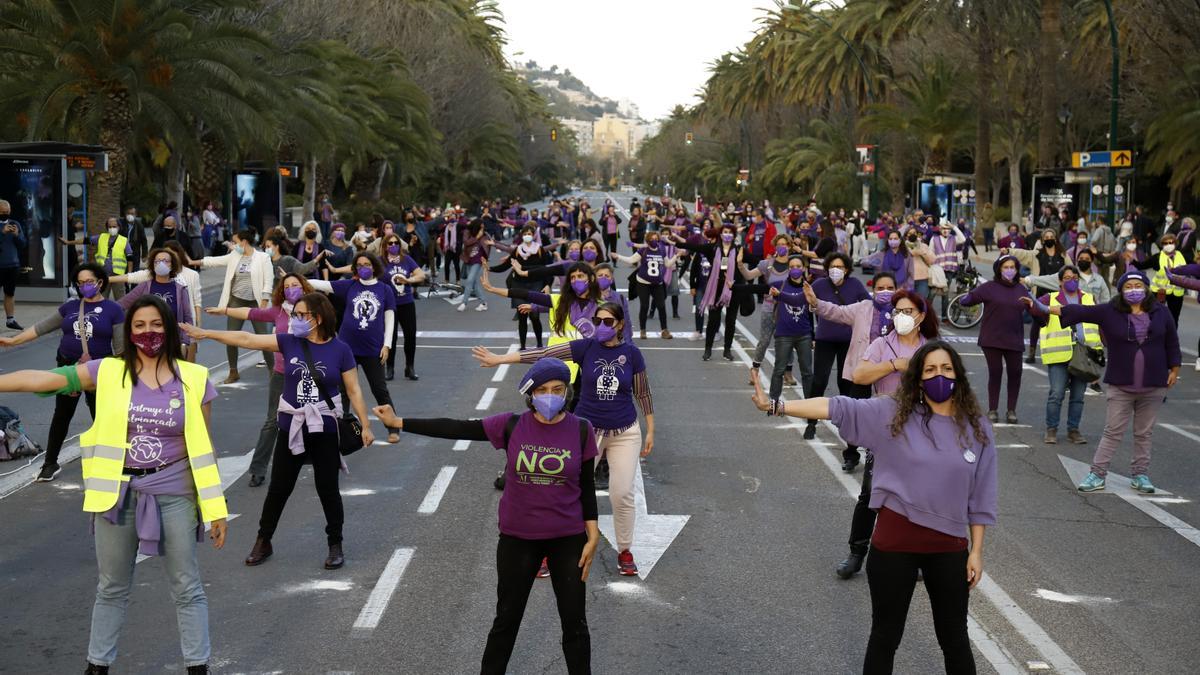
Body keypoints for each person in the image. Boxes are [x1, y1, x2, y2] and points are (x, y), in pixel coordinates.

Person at [0, 295, 228, 674]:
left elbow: (204, 450)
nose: (148, 332)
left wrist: (214, 509)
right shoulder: (107, 371)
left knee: (187, 587)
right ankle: (97, 666)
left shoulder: (194, 378)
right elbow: (48, 379)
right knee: (111, 587)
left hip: (174, 494)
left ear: (168, 329)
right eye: (139, 326)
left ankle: (198, 666)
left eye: (156, 325)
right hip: (116, 493)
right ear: (129, 332)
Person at [752, 341, 996, 673]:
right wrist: (776, 405)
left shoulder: (978, 428)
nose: (939, 375)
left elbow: (980, 497)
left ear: (959, 375)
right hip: (895, 545)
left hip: (949, 548)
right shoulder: (893, 413)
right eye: (930, 370)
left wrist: (976, 551)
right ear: (918, 379)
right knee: (885, 635)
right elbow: (836, 407)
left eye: (946, 369)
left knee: (954, 638)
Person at [373, 358, 598, 674]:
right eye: (542, 390)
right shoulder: (513, 425)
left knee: (575, 624)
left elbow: (586, 485)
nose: (550, 396)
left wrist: (593, 533)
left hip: (568, 539)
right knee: (506, 619)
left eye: (557, 389)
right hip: (518, 539)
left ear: (568, 391)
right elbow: (458, 427)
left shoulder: (581, 430)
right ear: (530, 394)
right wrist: (399, 422)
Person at [182, 292, 374, 568]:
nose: (295, 319)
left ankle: (335, 544)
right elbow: (247, 339)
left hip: (324, 429)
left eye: (301, 315)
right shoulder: (288, 341)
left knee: (328, 489)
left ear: (318, 318)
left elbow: (353, 389)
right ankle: (264, 541)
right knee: (279, 489)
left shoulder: (340, 349)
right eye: (294, 314)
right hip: (291, 428)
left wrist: (365, 425)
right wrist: (207, 333)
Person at [473, 301, 654, 577]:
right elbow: (545, 353)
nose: (602, 327)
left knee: (622, 493)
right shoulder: (586, 347)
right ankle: (547, 552)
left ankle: (625, 550)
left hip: (624, 431)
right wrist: (500, 359)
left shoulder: (632, 354)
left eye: (608, 322)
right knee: (565, 491)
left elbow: (642, 392)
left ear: (619, 325)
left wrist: (650, 428)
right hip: (586, 430)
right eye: (598, 320)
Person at [1027, 271, 1180, 493]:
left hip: (1153, 384)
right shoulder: (1111, 311)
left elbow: (1172, 342)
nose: (1134, 290)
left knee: (1144, 433)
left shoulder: (1161, 313)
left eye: (1138, 285)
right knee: (1112, 431)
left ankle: (1140, 475)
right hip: (1121, 384)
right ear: (1121, 290)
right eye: (1128, 286)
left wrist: (1174, 369)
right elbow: (1080, 311)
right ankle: (1097, 474)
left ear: (1146, 288)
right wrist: (1044, 308)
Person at [0, 264, 125, 482]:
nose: (84, 286)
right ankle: (50, 464)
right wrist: (13, 341)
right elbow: (41, 327)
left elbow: (121, 348)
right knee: (62, 416)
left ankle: (110, 462)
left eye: (89, 281)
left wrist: (120, 374)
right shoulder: (70, 307)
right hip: (67, 368)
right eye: (80, 282)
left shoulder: (113, 310)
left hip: (98, 372)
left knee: (102, 417)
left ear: (100, 282)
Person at [205, 273, 313, 487]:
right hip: (282, 374)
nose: (292, 289)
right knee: (273, 421)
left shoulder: (316, 308)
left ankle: (324, 461)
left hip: (310, 375)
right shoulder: (278, 311)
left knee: (317, 417)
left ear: (304, 287)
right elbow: (251, 312)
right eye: (288, 286)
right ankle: (258, 469)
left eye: (296, 285)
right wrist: (225, 310)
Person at [308, 253, 400, 443]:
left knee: (379, 389)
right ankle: (340, 427)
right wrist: (298, 279)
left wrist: (387, 345)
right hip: (346, 349)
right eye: (359, 265)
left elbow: (389, 319)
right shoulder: (350, 285)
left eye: (367, 264)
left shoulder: (385, 289)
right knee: (343, 390)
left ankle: (393, 426)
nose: (363, 268)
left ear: (374, 267)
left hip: (373, 349)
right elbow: (322, 285)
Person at [1025, 265, 1102, 445]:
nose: (1071, 280)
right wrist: (1029, 304)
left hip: (1083, 354)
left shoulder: (1089, 298)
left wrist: (1102, 348)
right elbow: (1036, 311)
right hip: (1059, 354)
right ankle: (1051, 429)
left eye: (1074, 277)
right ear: (1060, 281)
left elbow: (1101, 323)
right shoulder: (1050, 298)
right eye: (1067, 278)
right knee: (1056, 393)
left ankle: (1073, 430)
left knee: (1078, 396)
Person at [194, 229, 274, 382]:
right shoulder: (235, 256)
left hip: (255, 303)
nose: (233, 245)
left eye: (235, 242)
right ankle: (233, 371)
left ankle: (273, 371)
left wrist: (264, 302)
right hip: (236, 301)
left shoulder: (263, 258)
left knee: (263, 339)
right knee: (231, 336)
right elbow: (215, 261)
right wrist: (193, 262)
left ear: (244, 242)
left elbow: (268, 281)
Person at [958, 255, 1029, 423]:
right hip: (992, 338)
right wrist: (966, 297)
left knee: (1015, 373)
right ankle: (993, 410)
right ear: (999, 269)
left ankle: (1011, 410)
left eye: (1013, 267)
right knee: (995, 372)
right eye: (1006, 267)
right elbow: (968, 300)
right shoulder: (989, 287)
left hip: (1014, 337)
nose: (1009, 270)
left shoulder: (1021, 289)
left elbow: (1032, 309)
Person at [671, 221, 748, 361]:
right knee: (713, 320)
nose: (727, 235)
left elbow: (755, 260)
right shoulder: (712, 248)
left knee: (731, 321)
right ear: (720, 234)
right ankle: (708, 349)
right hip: (716, 288)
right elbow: (694, 247)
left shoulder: (739, 249)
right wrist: (676, 243)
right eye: (725, 232)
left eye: (730, 232)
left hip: (734, 289)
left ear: (734, 235)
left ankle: (727, 350)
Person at [808, 252, 871, 410]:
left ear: (847, 269)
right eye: (832, 267)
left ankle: (846, 417)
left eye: (840, 267)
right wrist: (780, 295)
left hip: (848, 341)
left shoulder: (855, 284)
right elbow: (803, 304)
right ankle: (811, 421)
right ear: (827, 268)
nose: (836, 269)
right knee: (819, 380)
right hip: (824, 339)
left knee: (845, 382)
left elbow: (869, 306)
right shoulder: (819, 284)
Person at [741, 235, 801, 382]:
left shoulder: (794, 265)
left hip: (788, 307)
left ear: (790, 246)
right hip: (769, 307)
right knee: (765, 339)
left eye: (785, 244)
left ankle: (788, 372)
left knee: (789, 339)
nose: (782, 247)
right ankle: (754, 370)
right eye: (779, 244)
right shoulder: (767, 264)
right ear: (775, 246)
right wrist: (740, 265)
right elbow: (749, 276)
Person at [116, 247, 195, 358]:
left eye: (165, 261)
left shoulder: (180, 289)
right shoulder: (144, 286)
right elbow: (121, 305)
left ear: (172, 265)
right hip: (148, 343)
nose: (161, 264)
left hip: (172, 344)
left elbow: (187, 319)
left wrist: (185, 343)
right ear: (153, 265)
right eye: (157, 261)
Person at [612, 226, 680, 339]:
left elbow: (667, 264)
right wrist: (618, 256)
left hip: (657, 283)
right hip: (643, 282)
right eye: (652, 239)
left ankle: (664, 330)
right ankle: (643, 330)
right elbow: (631, 260)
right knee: (644, 305)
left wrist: (676, 256)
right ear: (648, 241)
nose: (654, 241)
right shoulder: (643, 250)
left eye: (656, 238)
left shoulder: (661, 250)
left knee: (661, 306)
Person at [380, 233, 425, 381]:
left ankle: (409, 367)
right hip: (389, 305)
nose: (393, 246)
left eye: (396, 243)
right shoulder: (381, 262)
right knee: (390, 338)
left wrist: (408, 280)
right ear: (385, 246)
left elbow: (421, 275)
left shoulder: (406, 259)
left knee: (410, 336)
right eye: (390, 244)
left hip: (406, 303)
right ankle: (390, 368)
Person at [1132, 232, 1188, 328]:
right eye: (1165, 243)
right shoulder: (1157, 257)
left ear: (1175, 243)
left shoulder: (1181, 256)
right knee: (1155, 315)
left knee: (1174, 318)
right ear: (1162, 245)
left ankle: (1171, 338)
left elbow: (1192, 267)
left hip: (1176, 293)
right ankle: (1155, 335)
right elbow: (1142, 265)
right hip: (1160, 291)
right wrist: (1132, 261)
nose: (1168, 245)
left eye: (1171, 243)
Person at [0, 199, 26, 329]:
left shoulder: (15, 224)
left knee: (10, 293)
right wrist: (2, 233)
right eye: (3, 212)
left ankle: (10, 320)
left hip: (12, 265)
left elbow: (22, 244)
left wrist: (16, 235)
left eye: (7, 211)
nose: (5, 214)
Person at [459, 218, 492, 312]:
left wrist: (486, 259)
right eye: (481, 227)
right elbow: (466, 242)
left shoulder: (484, 235)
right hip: (468, 259)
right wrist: (477, 237)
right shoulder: (467, 232)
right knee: (474, 283)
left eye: (483, 227)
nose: (483, 229)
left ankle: (464, 303)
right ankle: (484, 302)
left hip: (478, 261)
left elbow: (489, 246)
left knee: (470, 280)